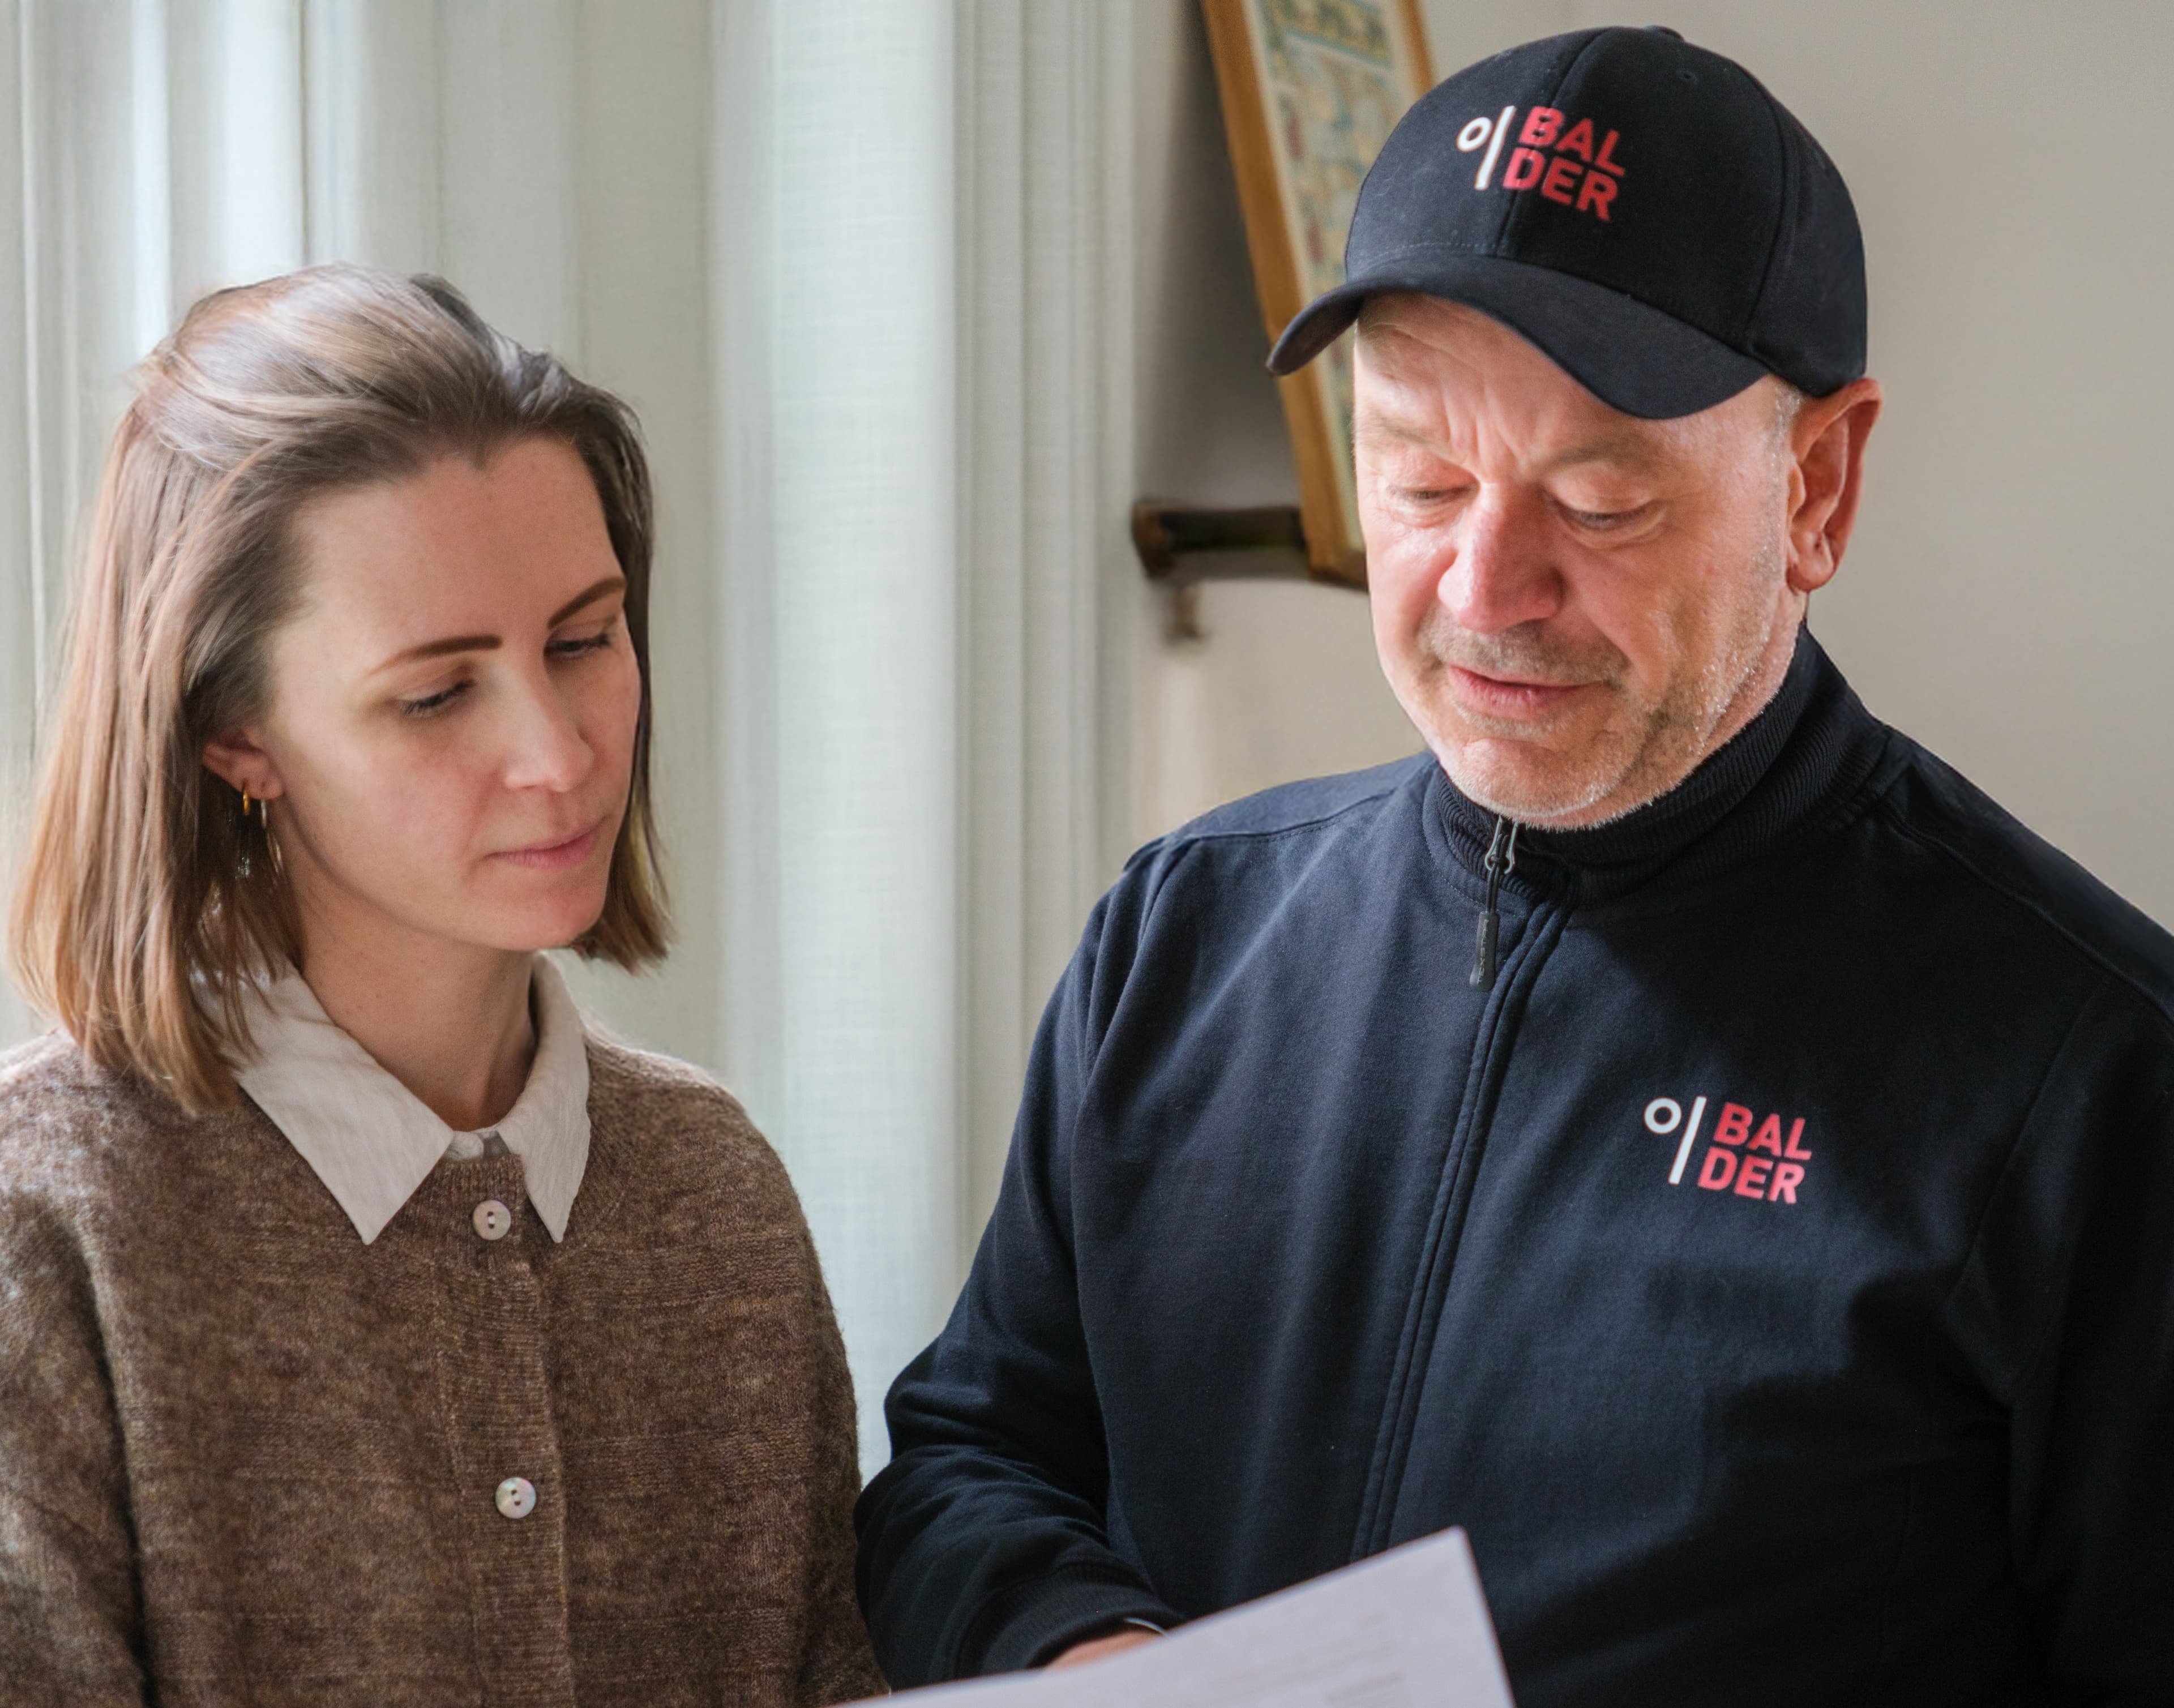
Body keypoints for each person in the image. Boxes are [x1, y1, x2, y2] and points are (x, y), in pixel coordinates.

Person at [855, 27, 2174, 1707]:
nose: (1485, 587)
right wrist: (1096, 1651)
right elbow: (973, 1457)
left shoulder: (2093, 1079)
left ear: (1818, 486)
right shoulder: (1182, 939)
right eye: (1419, 475)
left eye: (1603, 502)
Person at [0, 264, 883, 1707]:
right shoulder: (49, 1220)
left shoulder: (711, 1193)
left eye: (585, 640)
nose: (561, 753)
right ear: (236, 734)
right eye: (436, 692)